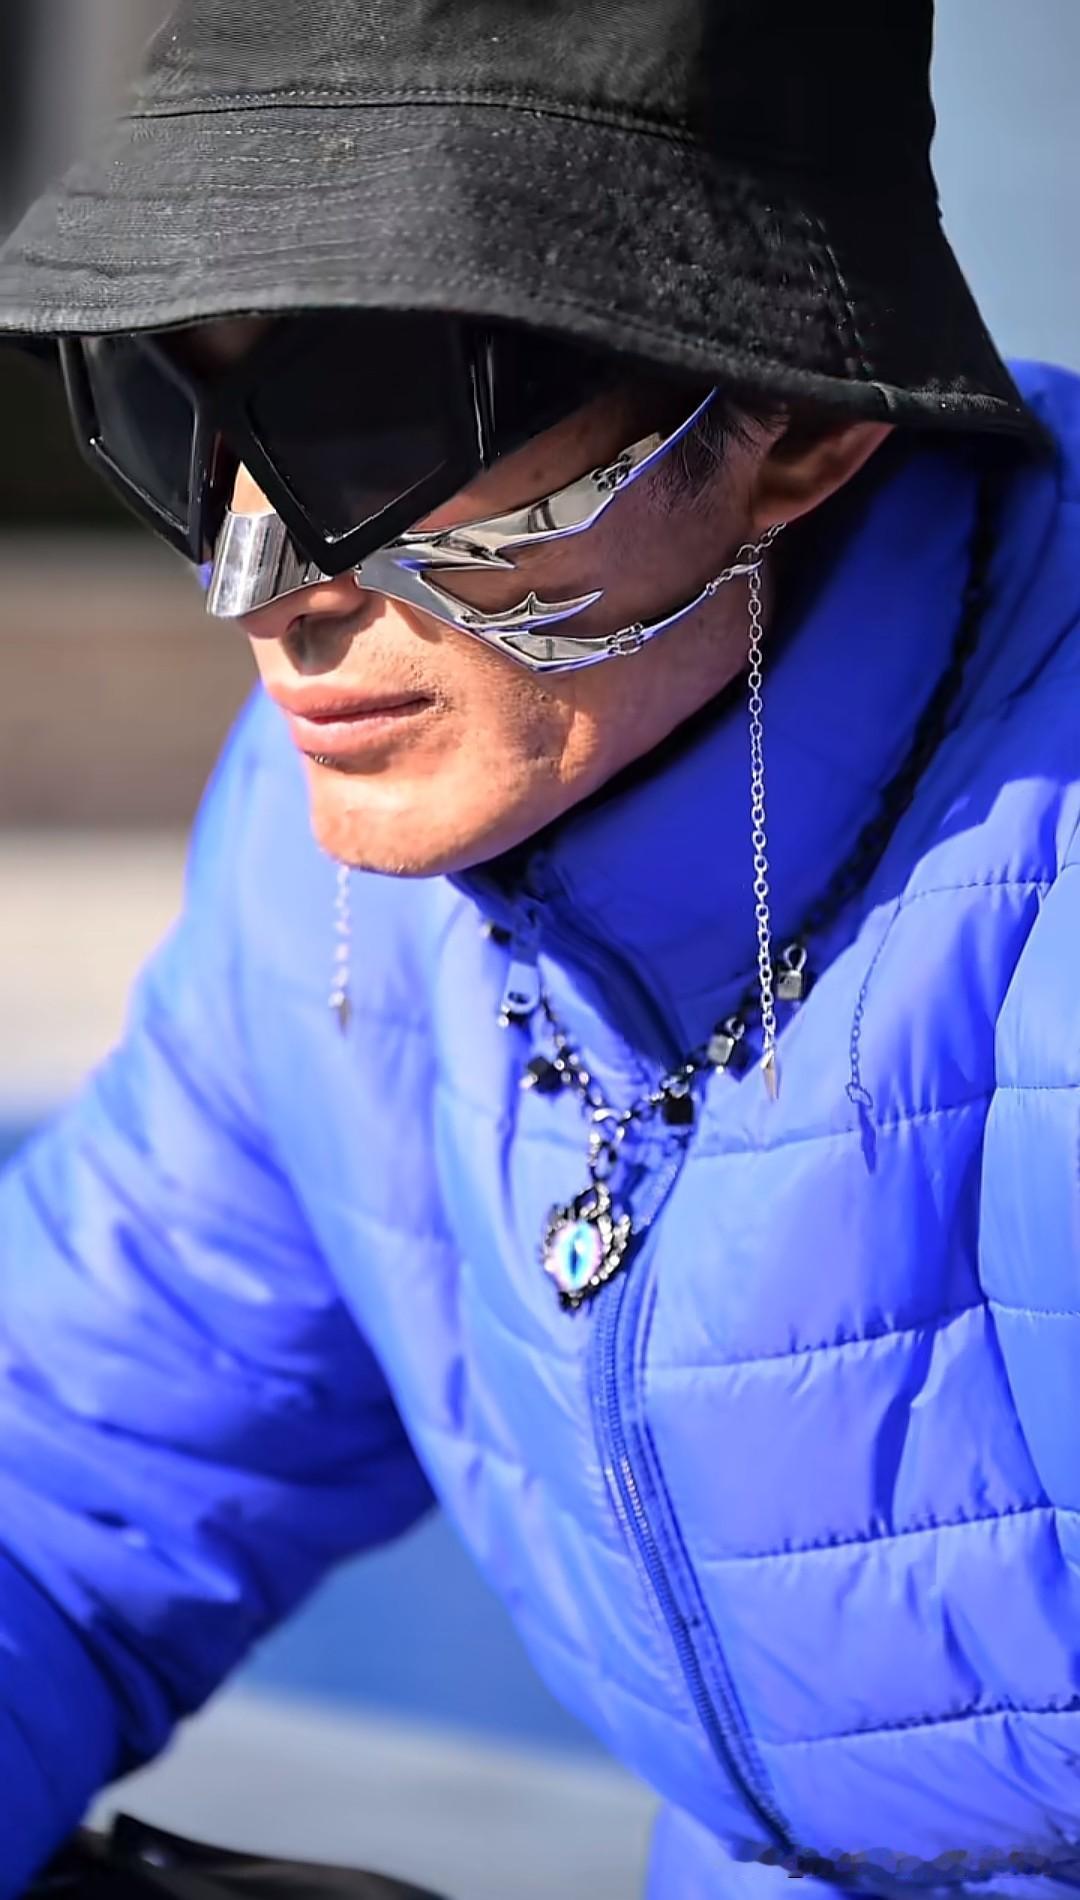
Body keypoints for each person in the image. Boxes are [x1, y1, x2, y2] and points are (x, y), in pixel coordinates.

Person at [0, 1, 1079, 1894]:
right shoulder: (335, 858)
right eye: (172, 411)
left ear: (799, 423)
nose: (254, 580)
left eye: (373, 417)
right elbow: (60, 1488)